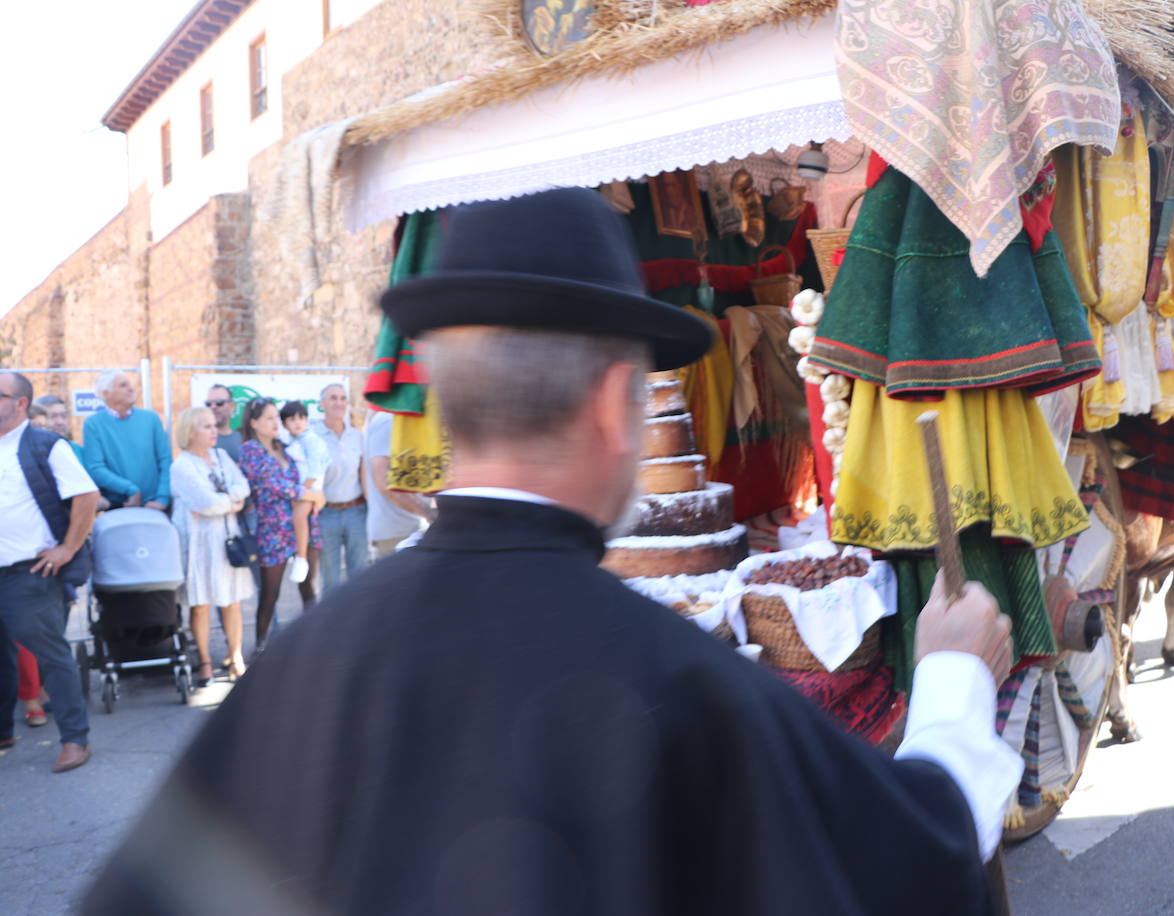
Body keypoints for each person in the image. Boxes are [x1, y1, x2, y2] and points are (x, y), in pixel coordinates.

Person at [85, 189, 1021, 914]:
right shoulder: (678, 680)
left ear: (447, 403)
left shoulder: (304, 665)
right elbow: (910, 865)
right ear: (619, 402)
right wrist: (950, 684)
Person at [0, 371, 98, 773]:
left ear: (20, 403)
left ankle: (76, 739)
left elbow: (87, 496)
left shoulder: (44, 444)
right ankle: (3, 731)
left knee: (51, 656)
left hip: (30, 572)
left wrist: (68, 548)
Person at [170, 407, 255, 685]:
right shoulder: (182, 465)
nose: (214, 430)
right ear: (190, 432)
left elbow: (242, 486)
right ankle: (205, 661)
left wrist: (225, 500)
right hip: (199, 543)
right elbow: (205, 502)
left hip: (227, 539)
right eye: (206, 426)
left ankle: (235, 656)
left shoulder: (221, 457)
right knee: (201, 604)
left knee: (232, 601)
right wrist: (230, 503)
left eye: (214, 425)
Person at [237, 399, 319, 654]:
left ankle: (314, 645)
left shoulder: (286, 448)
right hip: (273, 530)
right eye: (269, 418)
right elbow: (275, 485)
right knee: (270, 593)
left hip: (303, 526)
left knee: (308, 588)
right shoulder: (250, 451)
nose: (276, 423)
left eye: (276, 417)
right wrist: (312, 495)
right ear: (254, 423)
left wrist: (311, 494)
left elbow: (307, 476)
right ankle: (261, 648)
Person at [82, 370, 172, 511]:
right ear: (106, 393)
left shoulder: (151, 419)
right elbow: (95, 468)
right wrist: (130, 489)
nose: (131, 389)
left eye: (129, 384)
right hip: (119, 506)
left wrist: (162, 499)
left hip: (155, 506)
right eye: (123, 385)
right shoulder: (93, 424)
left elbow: (165, 460)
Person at [311, 384, 368, 592]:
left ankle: (360, 623)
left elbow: (363, 475)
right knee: (331, 581)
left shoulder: (357, 436)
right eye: (333, 398)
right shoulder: (313, 437)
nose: (338, 402)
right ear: (322, 404)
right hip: (326, 515)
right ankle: (332, 624)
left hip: (357, 512)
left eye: (343, 398)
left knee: (360, 576)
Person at [363, 410, 431, 558]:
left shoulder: (403, 419)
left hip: (411, 527)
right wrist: (427, 512)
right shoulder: (387, 420)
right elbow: (383, 480)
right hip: (395, 533)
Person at [278, 401, 329, 584]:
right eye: (292, 419)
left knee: (299, 516)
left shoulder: (312, 440)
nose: (297, 423)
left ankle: (301, 558)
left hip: (311, 486)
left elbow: (314, 470)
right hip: (300, 487)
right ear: (284, 424)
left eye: (301, 418)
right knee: (296, 518)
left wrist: (304, 491)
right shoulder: (290, 441)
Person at [204, 383, 242, 463]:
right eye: (208, 403)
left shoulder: (244, 439)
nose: (213, 407)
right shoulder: (199, 440)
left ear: (232, 406)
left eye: (219, 402)